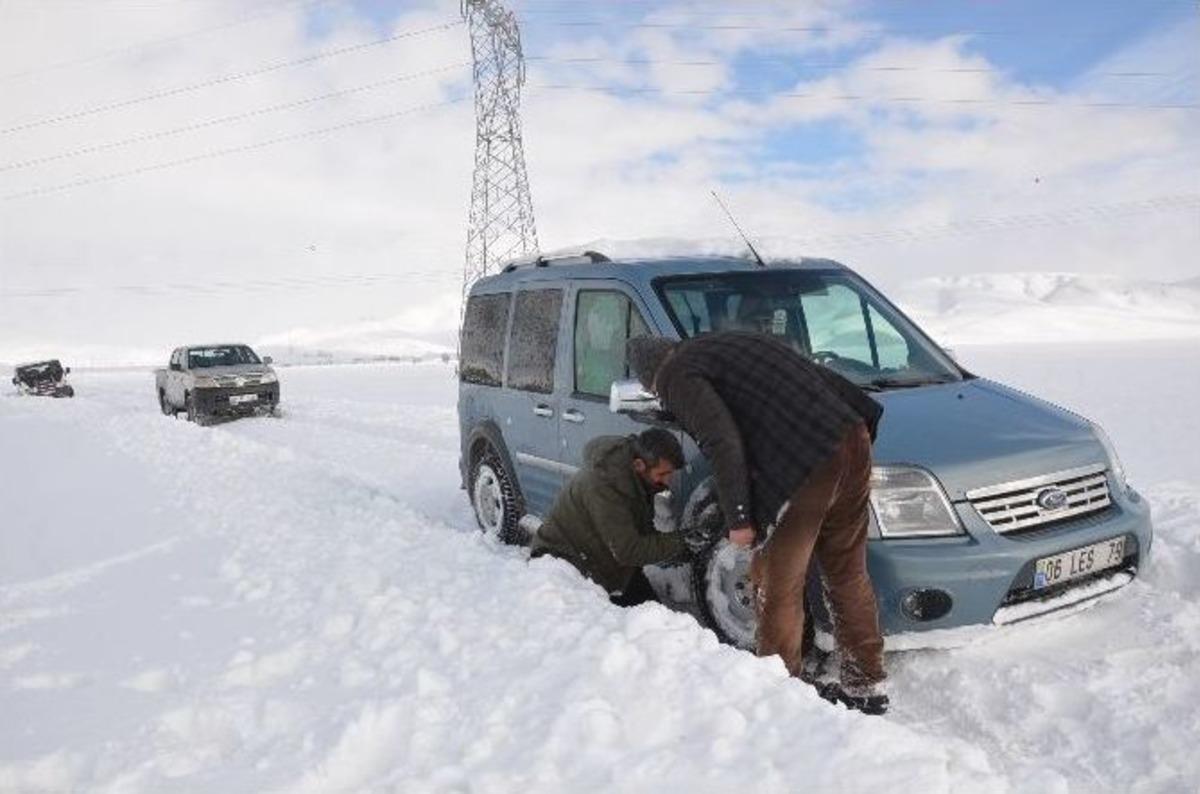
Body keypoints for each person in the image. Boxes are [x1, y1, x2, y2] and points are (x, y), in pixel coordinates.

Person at [627, 331, 888, 715]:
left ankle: (781, 697)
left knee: (775, 581)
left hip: (806, 466)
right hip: (852, 437)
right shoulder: (726, 342)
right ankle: (866, 684)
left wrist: (739, 518)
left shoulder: (675, 375)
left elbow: (721, 439)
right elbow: (821, 377)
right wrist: (858, 435)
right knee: (846, 572)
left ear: (650, 378)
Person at [531, 428, 686, 607]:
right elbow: (630, 551)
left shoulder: (635, 479)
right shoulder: (606, 486)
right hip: (564, 566)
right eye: (662, 474)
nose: (667, 481)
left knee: (655, 618)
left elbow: (643, 534)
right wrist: (682, 541)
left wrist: (685, 549)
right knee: (629, 629)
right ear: (639, 465)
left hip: (601, 558)